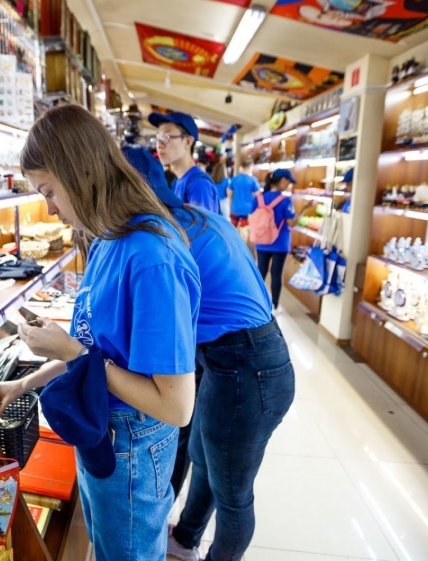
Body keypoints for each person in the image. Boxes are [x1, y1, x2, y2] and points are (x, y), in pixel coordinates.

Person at [0, 105, 200, 561]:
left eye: (49, 192)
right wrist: (26, 383)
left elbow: (177, 406)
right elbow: (96, 349)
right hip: (105, 429)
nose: (49, 208)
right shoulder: (107, 238)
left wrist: (74, 353)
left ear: (81, 173)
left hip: (133, 443)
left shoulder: (150, 258)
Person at [122, 148, 295, 561]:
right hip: (241, 356)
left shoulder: (164, 237)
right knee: (205, 458)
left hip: (247, 365)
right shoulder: (197, 219)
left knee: (233, 491)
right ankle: (185, 540)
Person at [251, 169, 313, 314]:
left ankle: (256, 303)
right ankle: (274, 307)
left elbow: (251, 218)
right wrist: (305, 209)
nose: (289, 185)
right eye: (289, 182)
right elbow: (292, 223)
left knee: (260, 272)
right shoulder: (285, 200)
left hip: (261, 241)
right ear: (283, 180)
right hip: (280, 243)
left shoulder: (258, 199)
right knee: (276, 274)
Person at [150, 111, 219, 214]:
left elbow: (203, 224)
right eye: (157, 138)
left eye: (166, 137)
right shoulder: (178, 181)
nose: (159, 145)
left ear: (187, 142)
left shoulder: (199, 185)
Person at [227, 158, 261, 227]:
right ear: (250, 167)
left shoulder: (235, 178)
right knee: (244, 230)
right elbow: (257, 195)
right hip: (247, 210)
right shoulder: (253, 180)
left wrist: (230, 204)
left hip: (235, 208)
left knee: (232, 229)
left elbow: (229, 193)